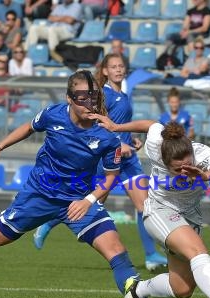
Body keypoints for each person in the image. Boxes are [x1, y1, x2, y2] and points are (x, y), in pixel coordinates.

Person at [0, 70, 175, 298]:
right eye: (82, 97)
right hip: (38, 195)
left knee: (116, 251)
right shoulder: (54, 114)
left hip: (77, 201)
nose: (89, 102)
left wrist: (89, 200)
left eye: (93, 96)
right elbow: (28, 127)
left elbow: (109, 177)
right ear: (69, 98)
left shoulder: (107, 137)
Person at [92, 116, 210, 298]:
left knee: (182, 288)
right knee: (197, 250)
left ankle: (138, 290)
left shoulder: (199, 152)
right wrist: (116, 127)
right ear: (165, 161)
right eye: (178, 169)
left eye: (188, 165)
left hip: (190, 216)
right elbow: (150, 125)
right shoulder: (157, 144)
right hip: (159, 211)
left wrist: (204, 175)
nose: (185, 170)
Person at [33, 54, 168, 271]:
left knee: (144, 205)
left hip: (128, 160)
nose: (118, 70)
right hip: (108, 158)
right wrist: (117, 143)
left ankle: (151, 255)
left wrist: (129, 138)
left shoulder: (122, 94)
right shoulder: (101, 94)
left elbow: (115, 123)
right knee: (92, 203)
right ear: (104, 71)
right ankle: (49, 222)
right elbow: (94, 123)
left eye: (121, 66)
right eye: (113, 66)